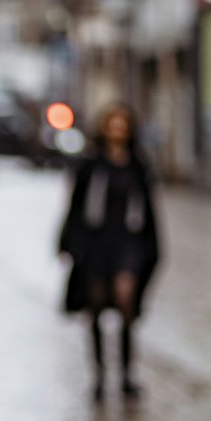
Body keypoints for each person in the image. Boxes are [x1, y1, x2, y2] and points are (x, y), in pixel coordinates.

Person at [58, 103, 160, 402]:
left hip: (128, 243)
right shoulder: (91, 165)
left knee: (126, 299)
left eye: (122, 125)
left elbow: (150, 211)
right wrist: (69, 244)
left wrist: (153, 248)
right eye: (112, 125)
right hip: (95, 243)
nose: (117, 130)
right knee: (97, 306)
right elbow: (75, 208)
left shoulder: (138, 166)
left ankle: (128, 374)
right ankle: (100, 375)